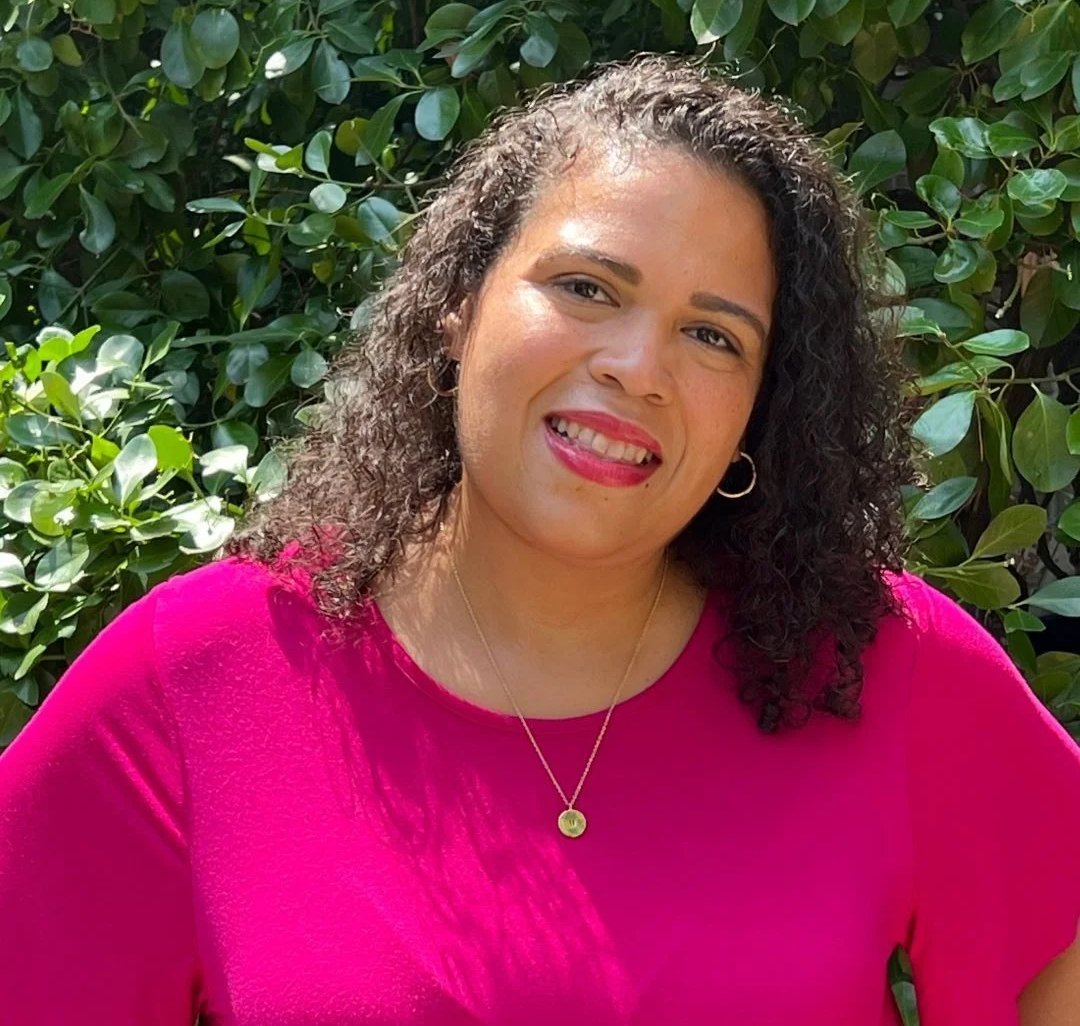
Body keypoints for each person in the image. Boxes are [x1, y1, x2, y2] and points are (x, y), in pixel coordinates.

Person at [2, 53, 1079, 1026]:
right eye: (586, 288)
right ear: (458, 306)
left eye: (713, 335)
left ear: (762, 410)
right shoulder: (203, 677)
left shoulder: (879, 667)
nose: (637, 368)